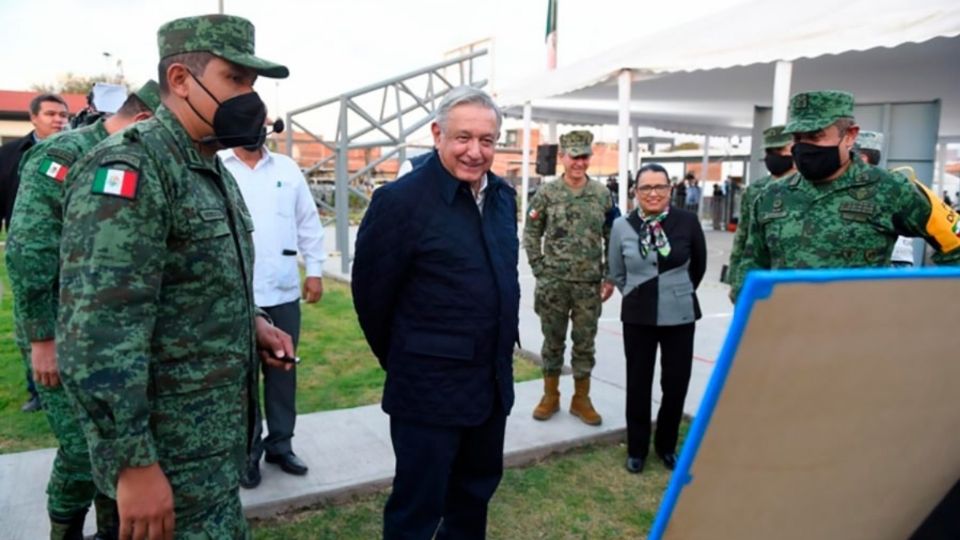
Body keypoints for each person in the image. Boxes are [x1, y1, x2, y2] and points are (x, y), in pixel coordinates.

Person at [56, 15, 295, 539]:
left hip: (210, 449)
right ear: (182, 81)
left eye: (252, 84)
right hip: (164, 460)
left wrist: (251, 323)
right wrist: (134, 466)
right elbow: (98, 336)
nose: (250, 98)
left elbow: (188, 286)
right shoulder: (134, 168)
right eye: (236, 79)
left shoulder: (207, 168)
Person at [352, 86, 519, 539]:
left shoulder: (503, 198)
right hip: (427, 392)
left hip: (489, 388)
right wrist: (408, 359)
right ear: (436, 134)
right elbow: (372, 299)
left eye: (487, 140)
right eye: (463, 137)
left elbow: (504, 278)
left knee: (472, 500)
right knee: (417, 509)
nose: (475, 151)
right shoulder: (400, 203)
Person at [6, 82, 159, 539]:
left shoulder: (136, 157)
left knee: (117, 447)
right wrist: (42, 339)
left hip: (115, 333)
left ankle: (113, 530)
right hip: (60, 332)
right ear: (143, 122)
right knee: (78, 449)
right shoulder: (65, 156)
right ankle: (65, 530)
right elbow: (29, 249)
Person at [731, 90, 960, 301]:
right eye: (798, 138)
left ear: (850, 136)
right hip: (787, 332)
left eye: (816, 136)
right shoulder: (771, 195)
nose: (803, 147)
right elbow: (752, 265)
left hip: (859, 335)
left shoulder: (891, 188)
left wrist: (932, 308)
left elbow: (955, 244)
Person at [219, 140, 327, 488]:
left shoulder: (286, 168)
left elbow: (307, 221)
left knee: (283, 374)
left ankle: (281, 445)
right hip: (236, 294)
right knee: (241, 380)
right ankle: (248, 453)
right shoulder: (219, 165)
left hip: (281, 291)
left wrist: (315, 270)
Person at [607, 163, 706, 474]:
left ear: (670, 189)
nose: (653, 193)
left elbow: (698, 267)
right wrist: (638, 293)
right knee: (638, 383)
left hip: (680, 315)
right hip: (638, 315)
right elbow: (617, 271)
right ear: (636, 191)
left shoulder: (688, 222)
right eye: (646, 187)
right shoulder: (622, 226)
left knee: (675, 384)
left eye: (659, 187)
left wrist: (676, 291)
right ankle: (637, 448)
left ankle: (666, 445)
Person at [524, 130, 616, 426]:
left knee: (584, 342)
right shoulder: (547, 193)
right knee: (553, 341)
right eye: (574, 156)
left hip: (589, 284)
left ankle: (581, 398)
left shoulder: (602, 194)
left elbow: (612, 236)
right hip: (554, 283)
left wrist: (610, 276)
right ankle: (550, 396)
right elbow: (531, 232)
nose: (579, 162)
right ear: (562, 157)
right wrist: (539, 268)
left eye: (584, 156)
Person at [0, 92, 69, 413]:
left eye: (63, 115)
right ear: (34, 118)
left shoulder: (75, 153)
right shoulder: (10, 155)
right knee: (30, 320)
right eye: (51, 114)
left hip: (66, 255)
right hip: (26, 252)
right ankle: (37, 390)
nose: (58, 120)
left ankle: (67, 385)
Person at [727, 125, 796, 300]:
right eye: (770, 151)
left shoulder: (806, 186)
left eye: (780, 149)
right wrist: (735, 278)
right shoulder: (755, 190)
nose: (774, 156)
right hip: (760, 272)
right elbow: (742, 236)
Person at [854, 130, 915, 267]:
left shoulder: (869, 188)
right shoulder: (896, 183)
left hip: (887, 264)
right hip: (899, 261)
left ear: (863, 159)